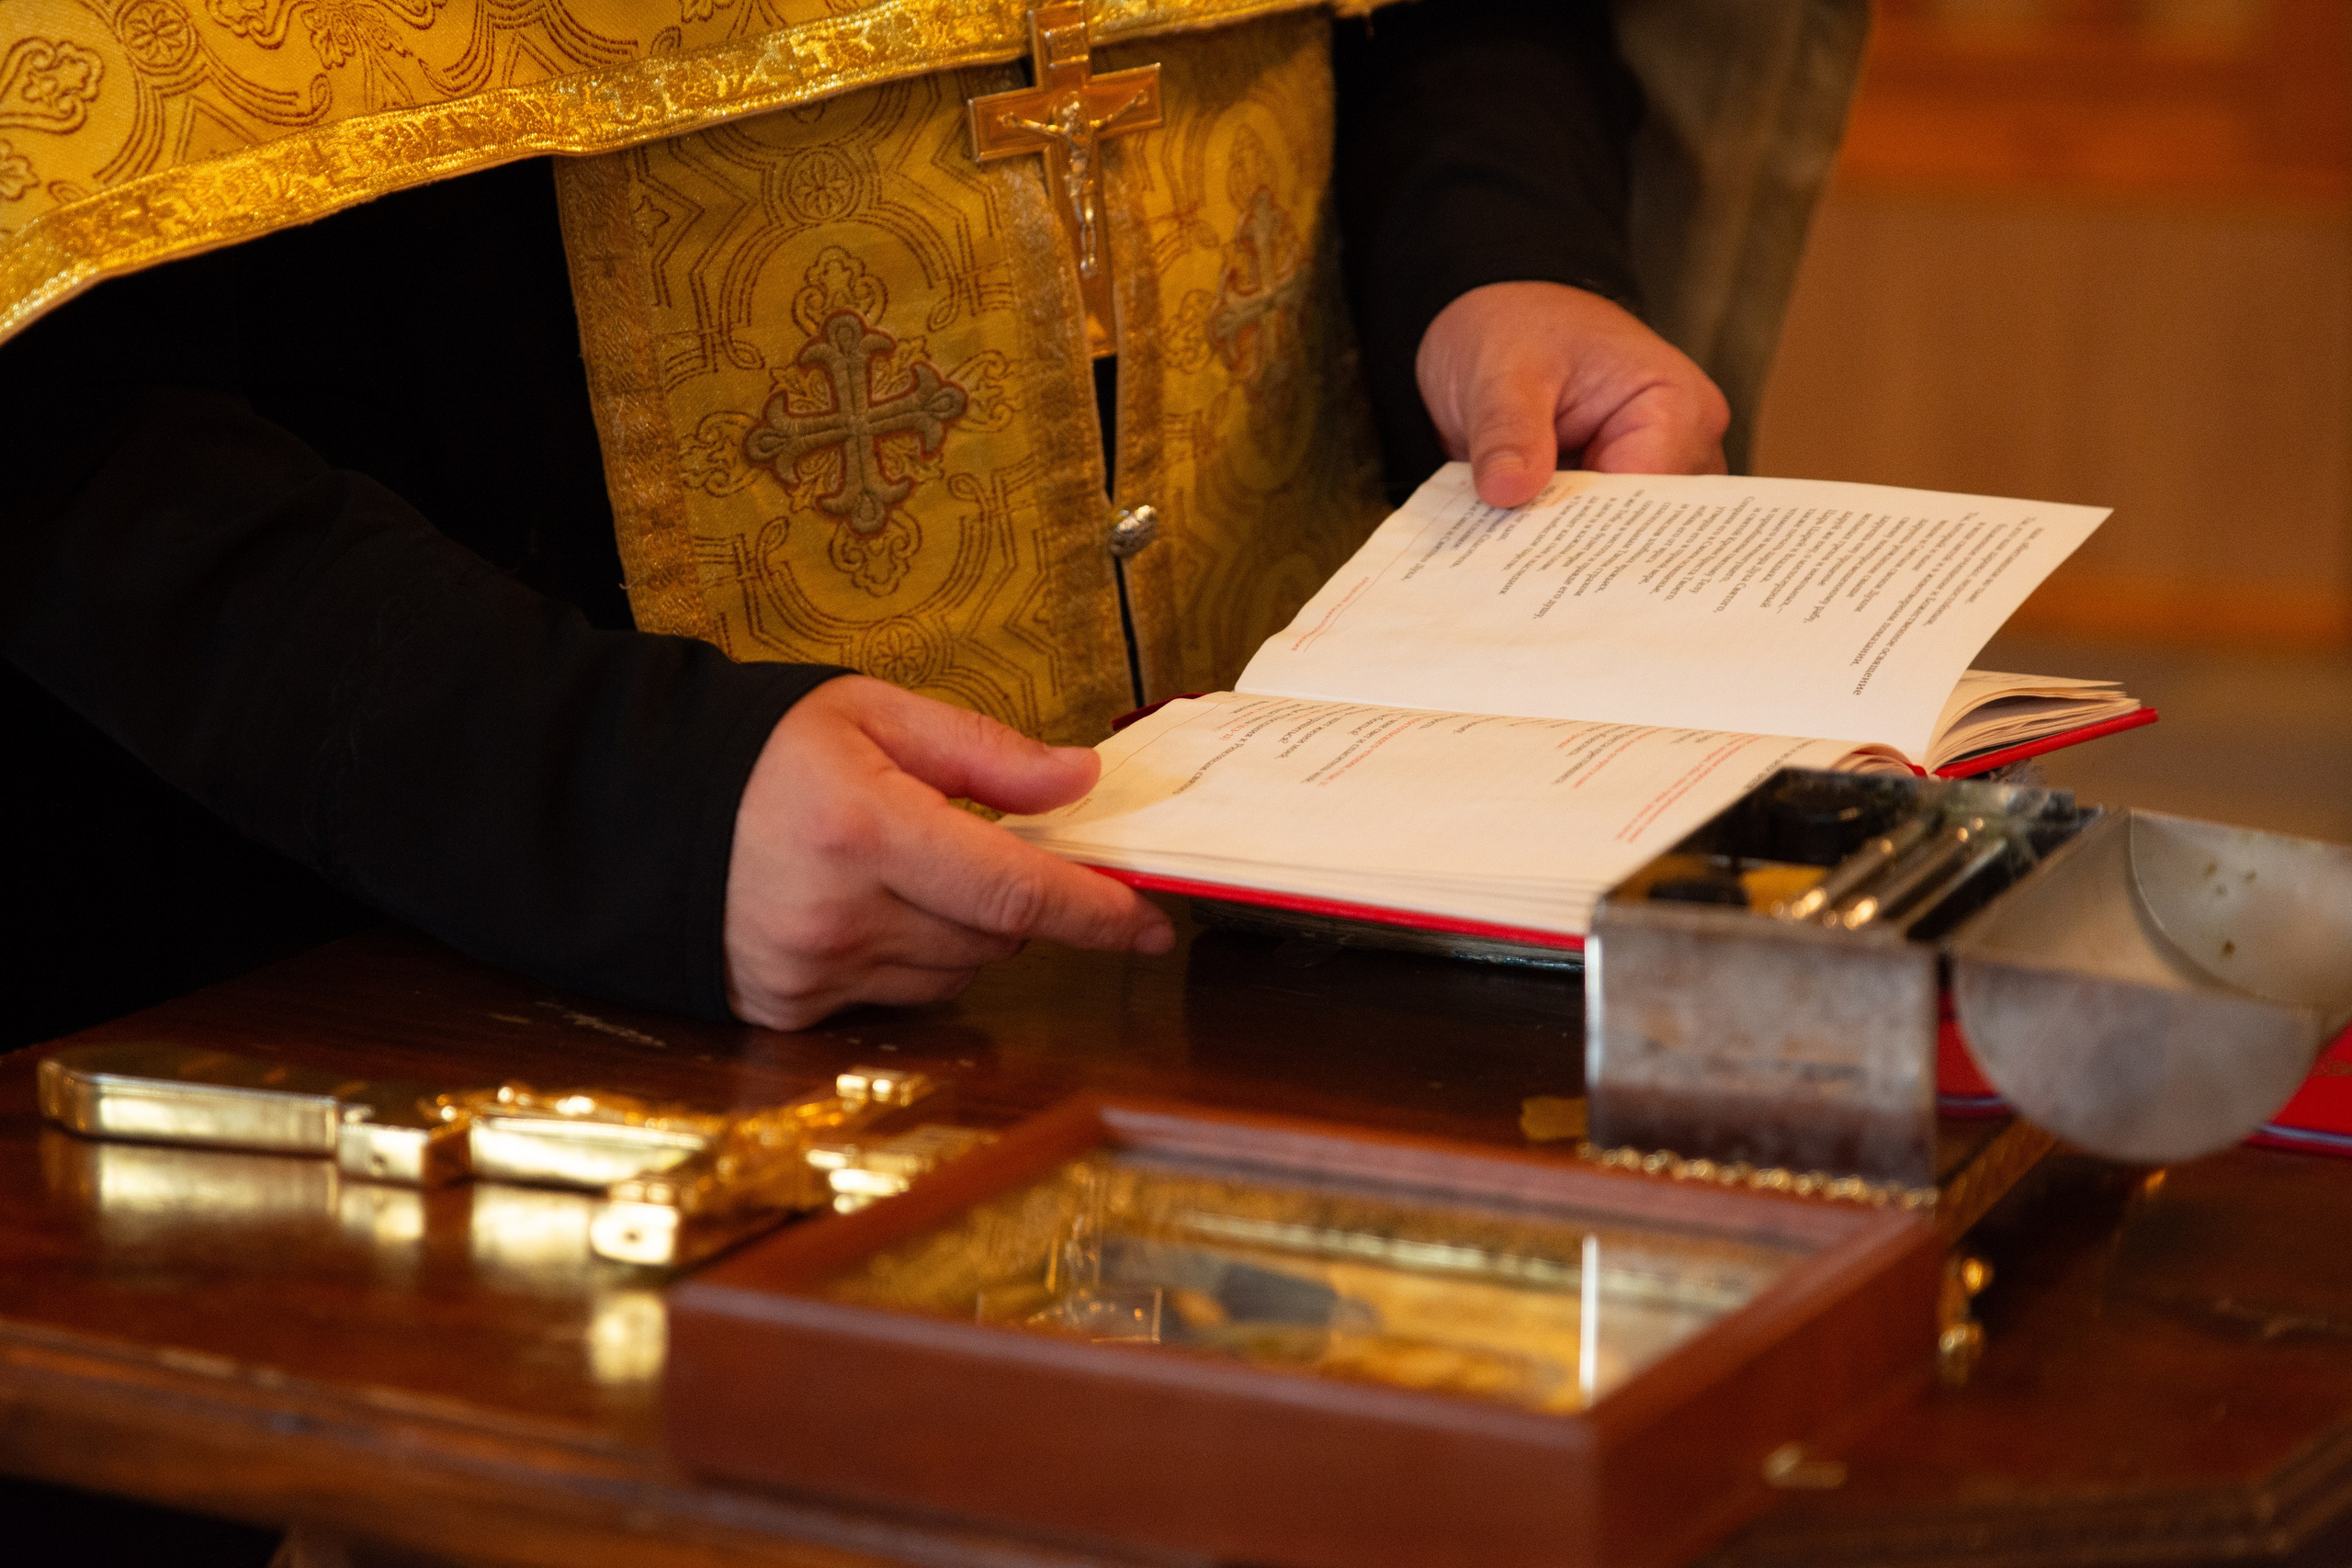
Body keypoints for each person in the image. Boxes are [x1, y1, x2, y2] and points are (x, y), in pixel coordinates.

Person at [1, 0, 1865, 1042]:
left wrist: (1497, 267)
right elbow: (52, 376)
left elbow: (1446, 28)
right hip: (517, 987)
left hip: (1344, 976)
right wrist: (622, 806)